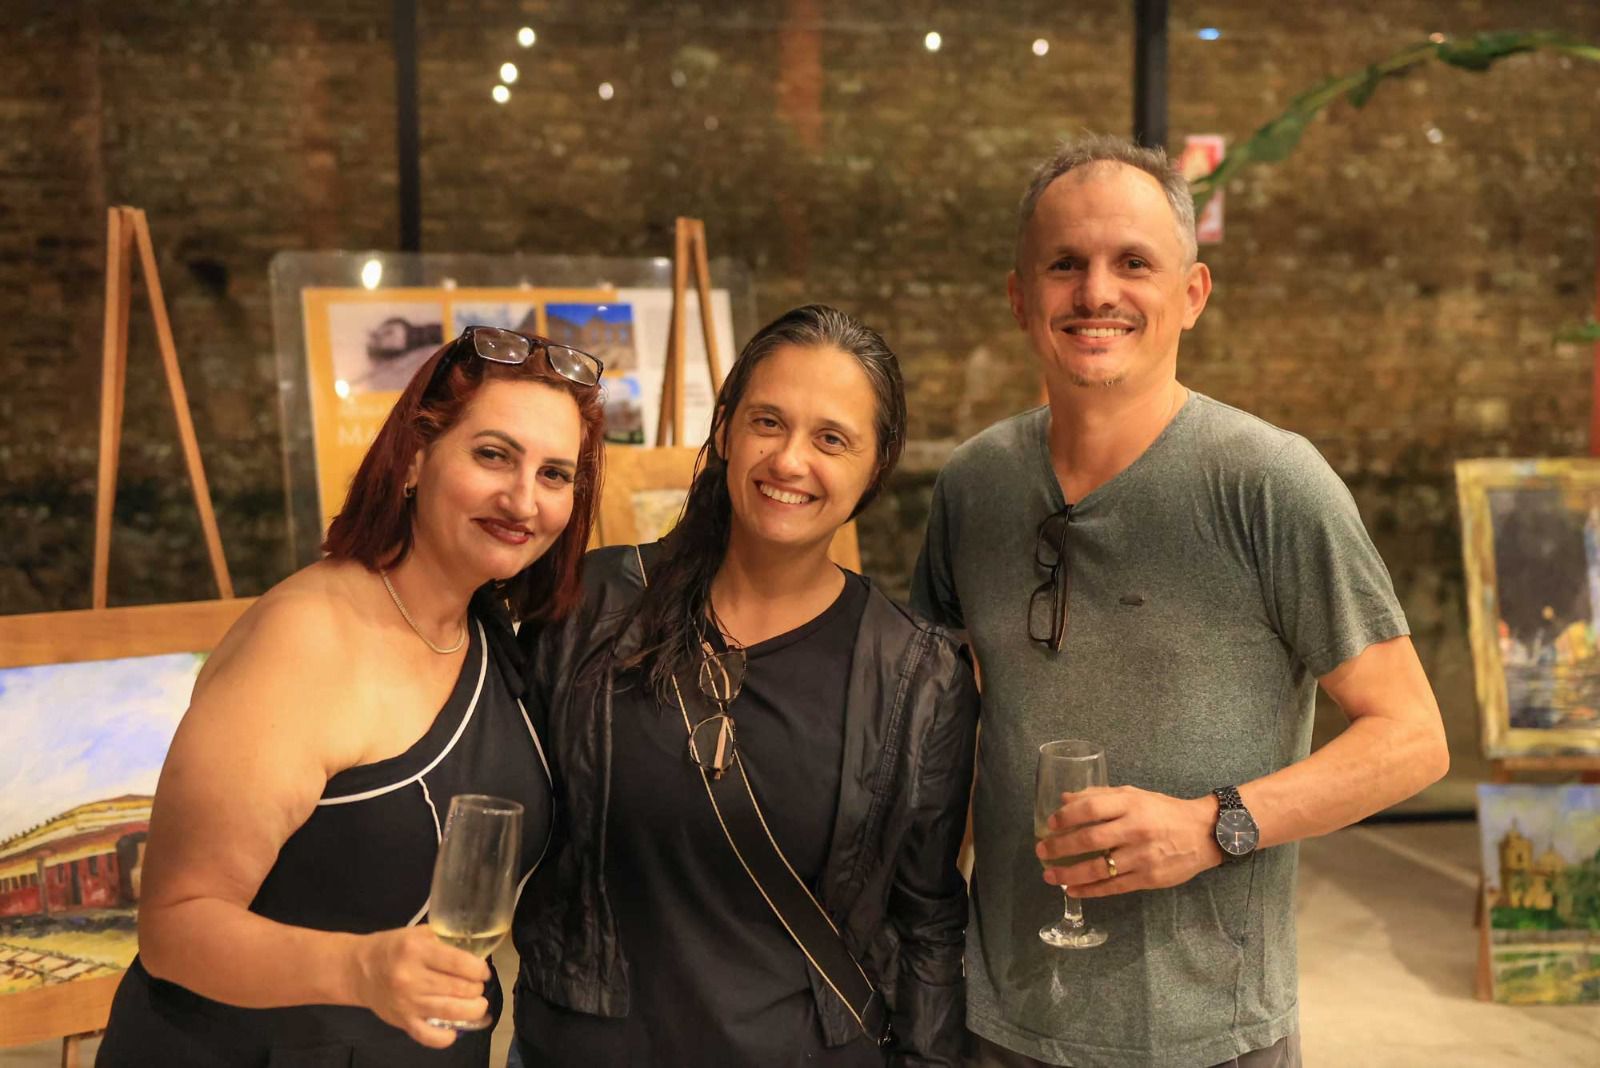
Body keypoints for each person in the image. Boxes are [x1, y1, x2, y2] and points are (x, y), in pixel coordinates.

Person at [911, 136, 1449, 1068]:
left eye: (1134, 263)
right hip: (998, 1020)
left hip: (1207, 1034)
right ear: (1019, 297)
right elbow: (943, 739)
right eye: (1065, 264)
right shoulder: (974, 486)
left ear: (1192, 294)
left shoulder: (1271, 483)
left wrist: (1213, 823)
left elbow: (1412, 738)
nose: (1096, 293)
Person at [97, 326, 606, 1066]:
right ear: (414, 458)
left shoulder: (488, 634)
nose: (523, 499)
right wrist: (360, 970)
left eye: (555, 474)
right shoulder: (304, 639)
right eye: (493, 455)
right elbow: (175, 927)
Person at [510, 305, 981, 1066]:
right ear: (726, 428)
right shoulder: (589, 605)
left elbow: (927, 921)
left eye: (831, 439)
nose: (789, 461)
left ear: (876, 465)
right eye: (768, 422)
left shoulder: (917, 676)